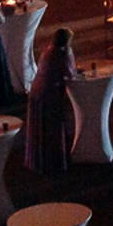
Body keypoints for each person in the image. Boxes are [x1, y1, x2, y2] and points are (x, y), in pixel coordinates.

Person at [25, 26, 76, 174]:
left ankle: (39, 160)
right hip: (49, 94)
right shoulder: (59, 55)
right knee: (52, 126)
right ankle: (52, 161)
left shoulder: (47, 52)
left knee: (39, 126)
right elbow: (71, 73)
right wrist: (70, 53)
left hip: (37, 91)